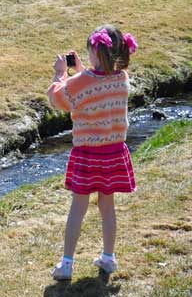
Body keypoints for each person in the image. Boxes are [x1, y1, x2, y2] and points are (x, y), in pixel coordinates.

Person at [47, 24, 139, 281]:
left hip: (88, 154)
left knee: (79, 207)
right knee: (107, 206)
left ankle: (66, 264)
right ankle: (108, 258)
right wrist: (80, 72)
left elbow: (59, 99)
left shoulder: (80, 82)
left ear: (96, 53)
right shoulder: (122, 78)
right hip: (113, 153)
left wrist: (60, 74)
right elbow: (96, 83)